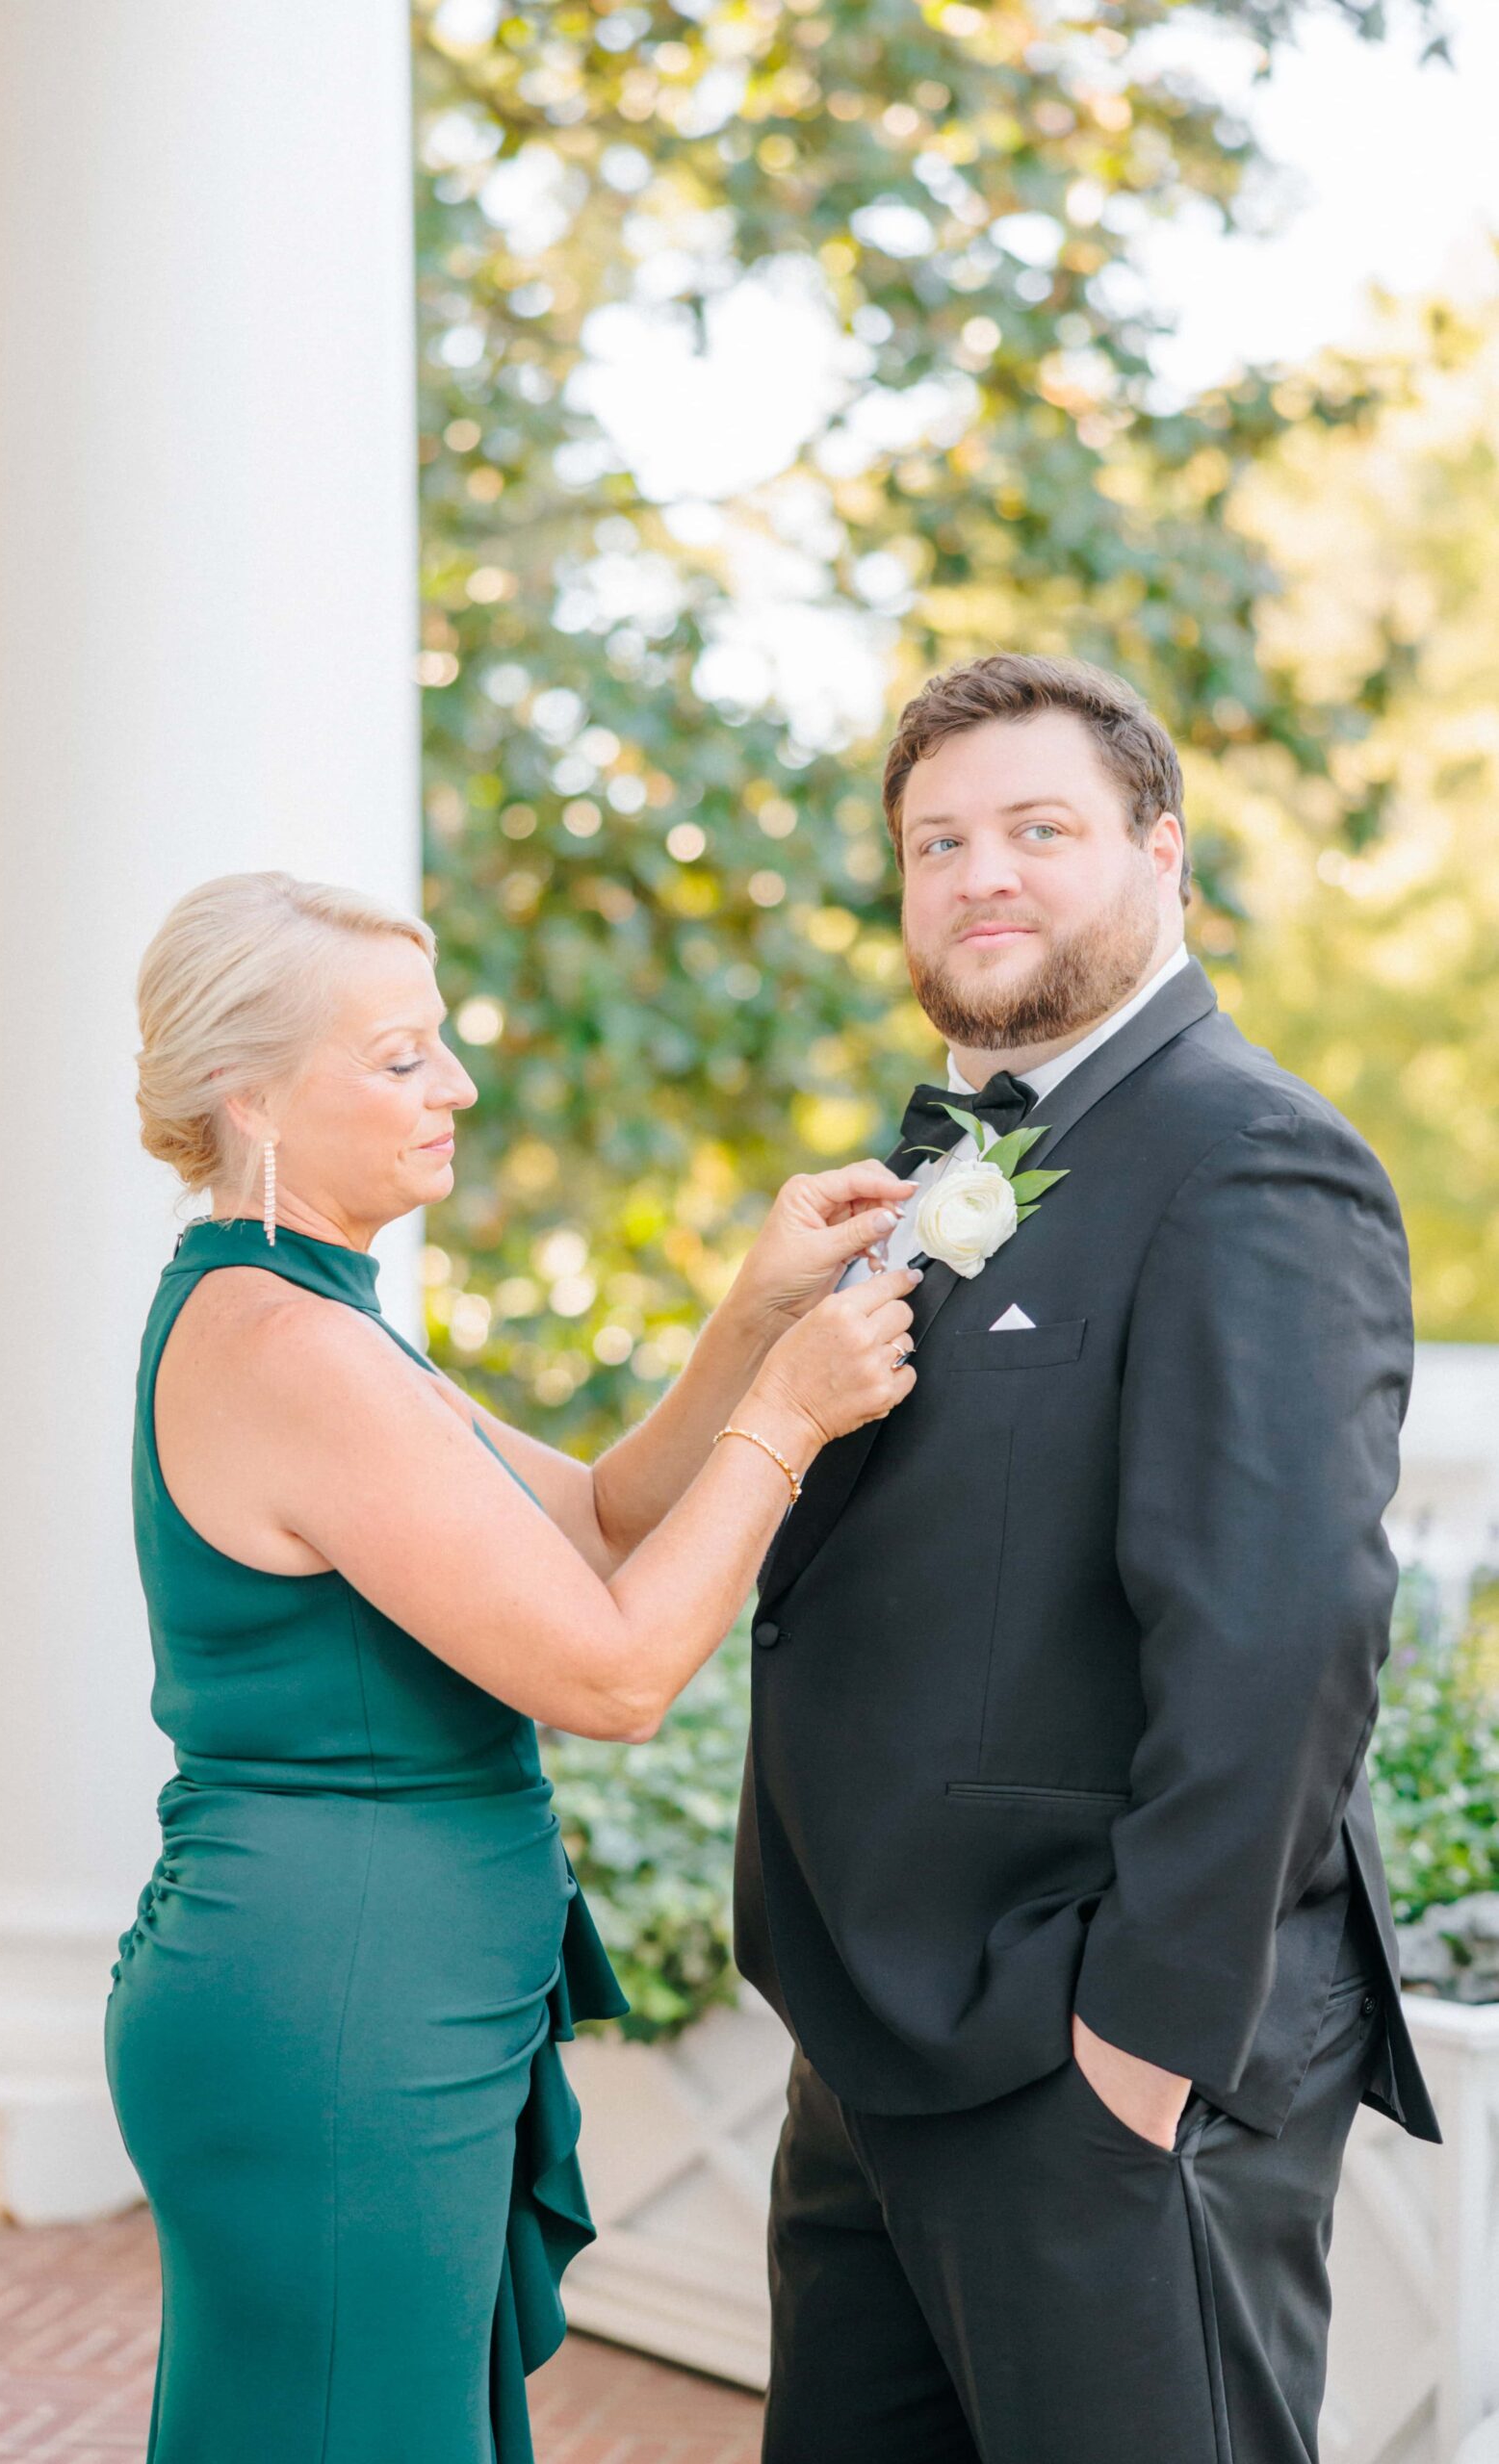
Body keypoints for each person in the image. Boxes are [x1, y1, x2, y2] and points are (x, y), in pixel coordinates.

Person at [105, 869, 919, 2464]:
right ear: (251, 1098)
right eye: (401, 1058)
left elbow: (605, 1523)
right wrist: (795, 1416)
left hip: (372, 1994)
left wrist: (754, 1319)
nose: (457, 1086)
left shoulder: (311, 1310)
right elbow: (613, 1676)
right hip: (337, 2010)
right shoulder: (290, 1351)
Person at [735, 653, 1441, 2464]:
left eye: (1039, 829)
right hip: (880, 2030)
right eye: (936, 841)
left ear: (1162, 855)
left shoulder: (1257, 1161)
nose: (982, 874)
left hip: (1091, 2050)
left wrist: (1140, 2046)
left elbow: (1282, 1631)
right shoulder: (921, 1176)